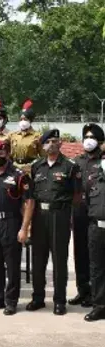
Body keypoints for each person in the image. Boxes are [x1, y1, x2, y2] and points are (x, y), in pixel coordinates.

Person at [28, 129, 81, 316]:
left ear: (60, 144)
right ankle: (38, 298)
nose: (52, 144)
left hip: (59, 215)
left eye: (55, 140)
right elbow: (31, 195)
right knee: (38, 259)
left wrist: (64, 211)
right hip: (39, 217)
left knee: (59, 260)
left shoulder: (69, 166)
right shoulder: (36, 166)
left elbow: (76, 195)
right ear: (43, 145)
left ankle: (59, 301)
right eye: (48, 141)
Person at [0, 140, 34, 315]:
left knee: (12, 264)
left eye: (0, 154)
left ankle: (11, 301)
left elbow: (29, 202)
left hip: (11, 223)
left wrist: (24, 228)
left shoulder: (19, 175)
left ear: (7, 154)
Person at [71, 123, 104, 307]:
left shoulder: (103, 162)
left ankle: (95, 293)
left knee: (95, 256)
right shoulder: (77, 161)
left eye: (92, 138)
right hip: (78, 212)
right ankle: (82, 290)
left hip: (95, 213)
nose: (88, 141)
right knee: (80, 253)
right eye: (86, 137)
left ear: (99, 142)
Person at [85, 153, 105, 321]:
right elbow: (86, 203)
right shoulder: (92, 180)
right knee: (96, 268)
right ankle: (99, 306)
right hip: (96, 228)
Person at [9, 99, 42, 174]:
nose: (22, 121)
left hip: (30, 168)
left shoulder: (37, 136)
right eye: (21, 119)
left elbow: (43, 156)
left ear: (30, 120)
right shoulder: (13, 135)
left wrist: (32, 165)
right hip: (15, 168)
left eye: (25, 119)